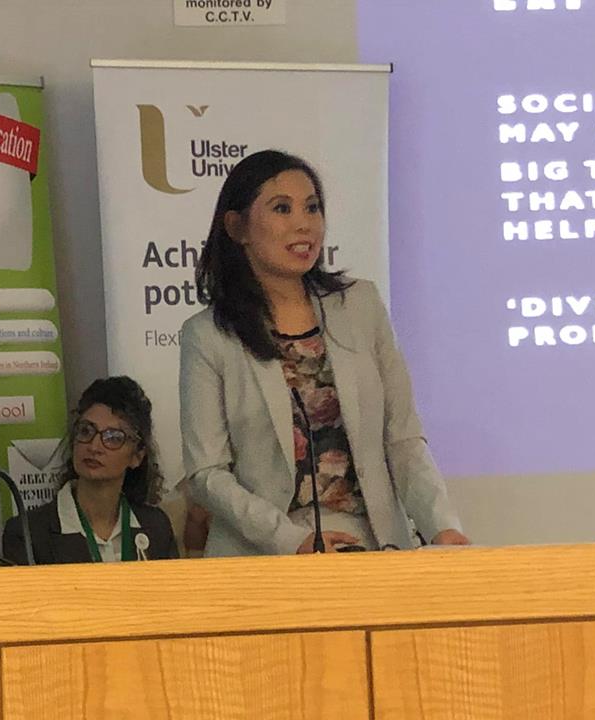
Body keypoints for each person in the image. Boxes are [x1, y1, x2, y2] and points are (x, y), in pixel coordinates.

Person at [179, 150, 469, 556]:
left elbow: (403, 437)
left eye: (312, 208)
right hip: (264, 555)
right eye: (282, 208)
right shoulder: (208, 335)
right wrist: (291, 540)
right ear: (237, 226)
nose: (304, 224)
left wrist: (441, 527)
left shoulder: (361, 305)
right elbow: (207, 473)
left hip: (374, 546)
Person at [3, 376, 179, 564]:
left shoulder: (156, 527)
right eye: (86, 431)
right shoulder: (28, 533)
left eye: (113, 437)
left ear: (137, 456)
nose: (94, 447)